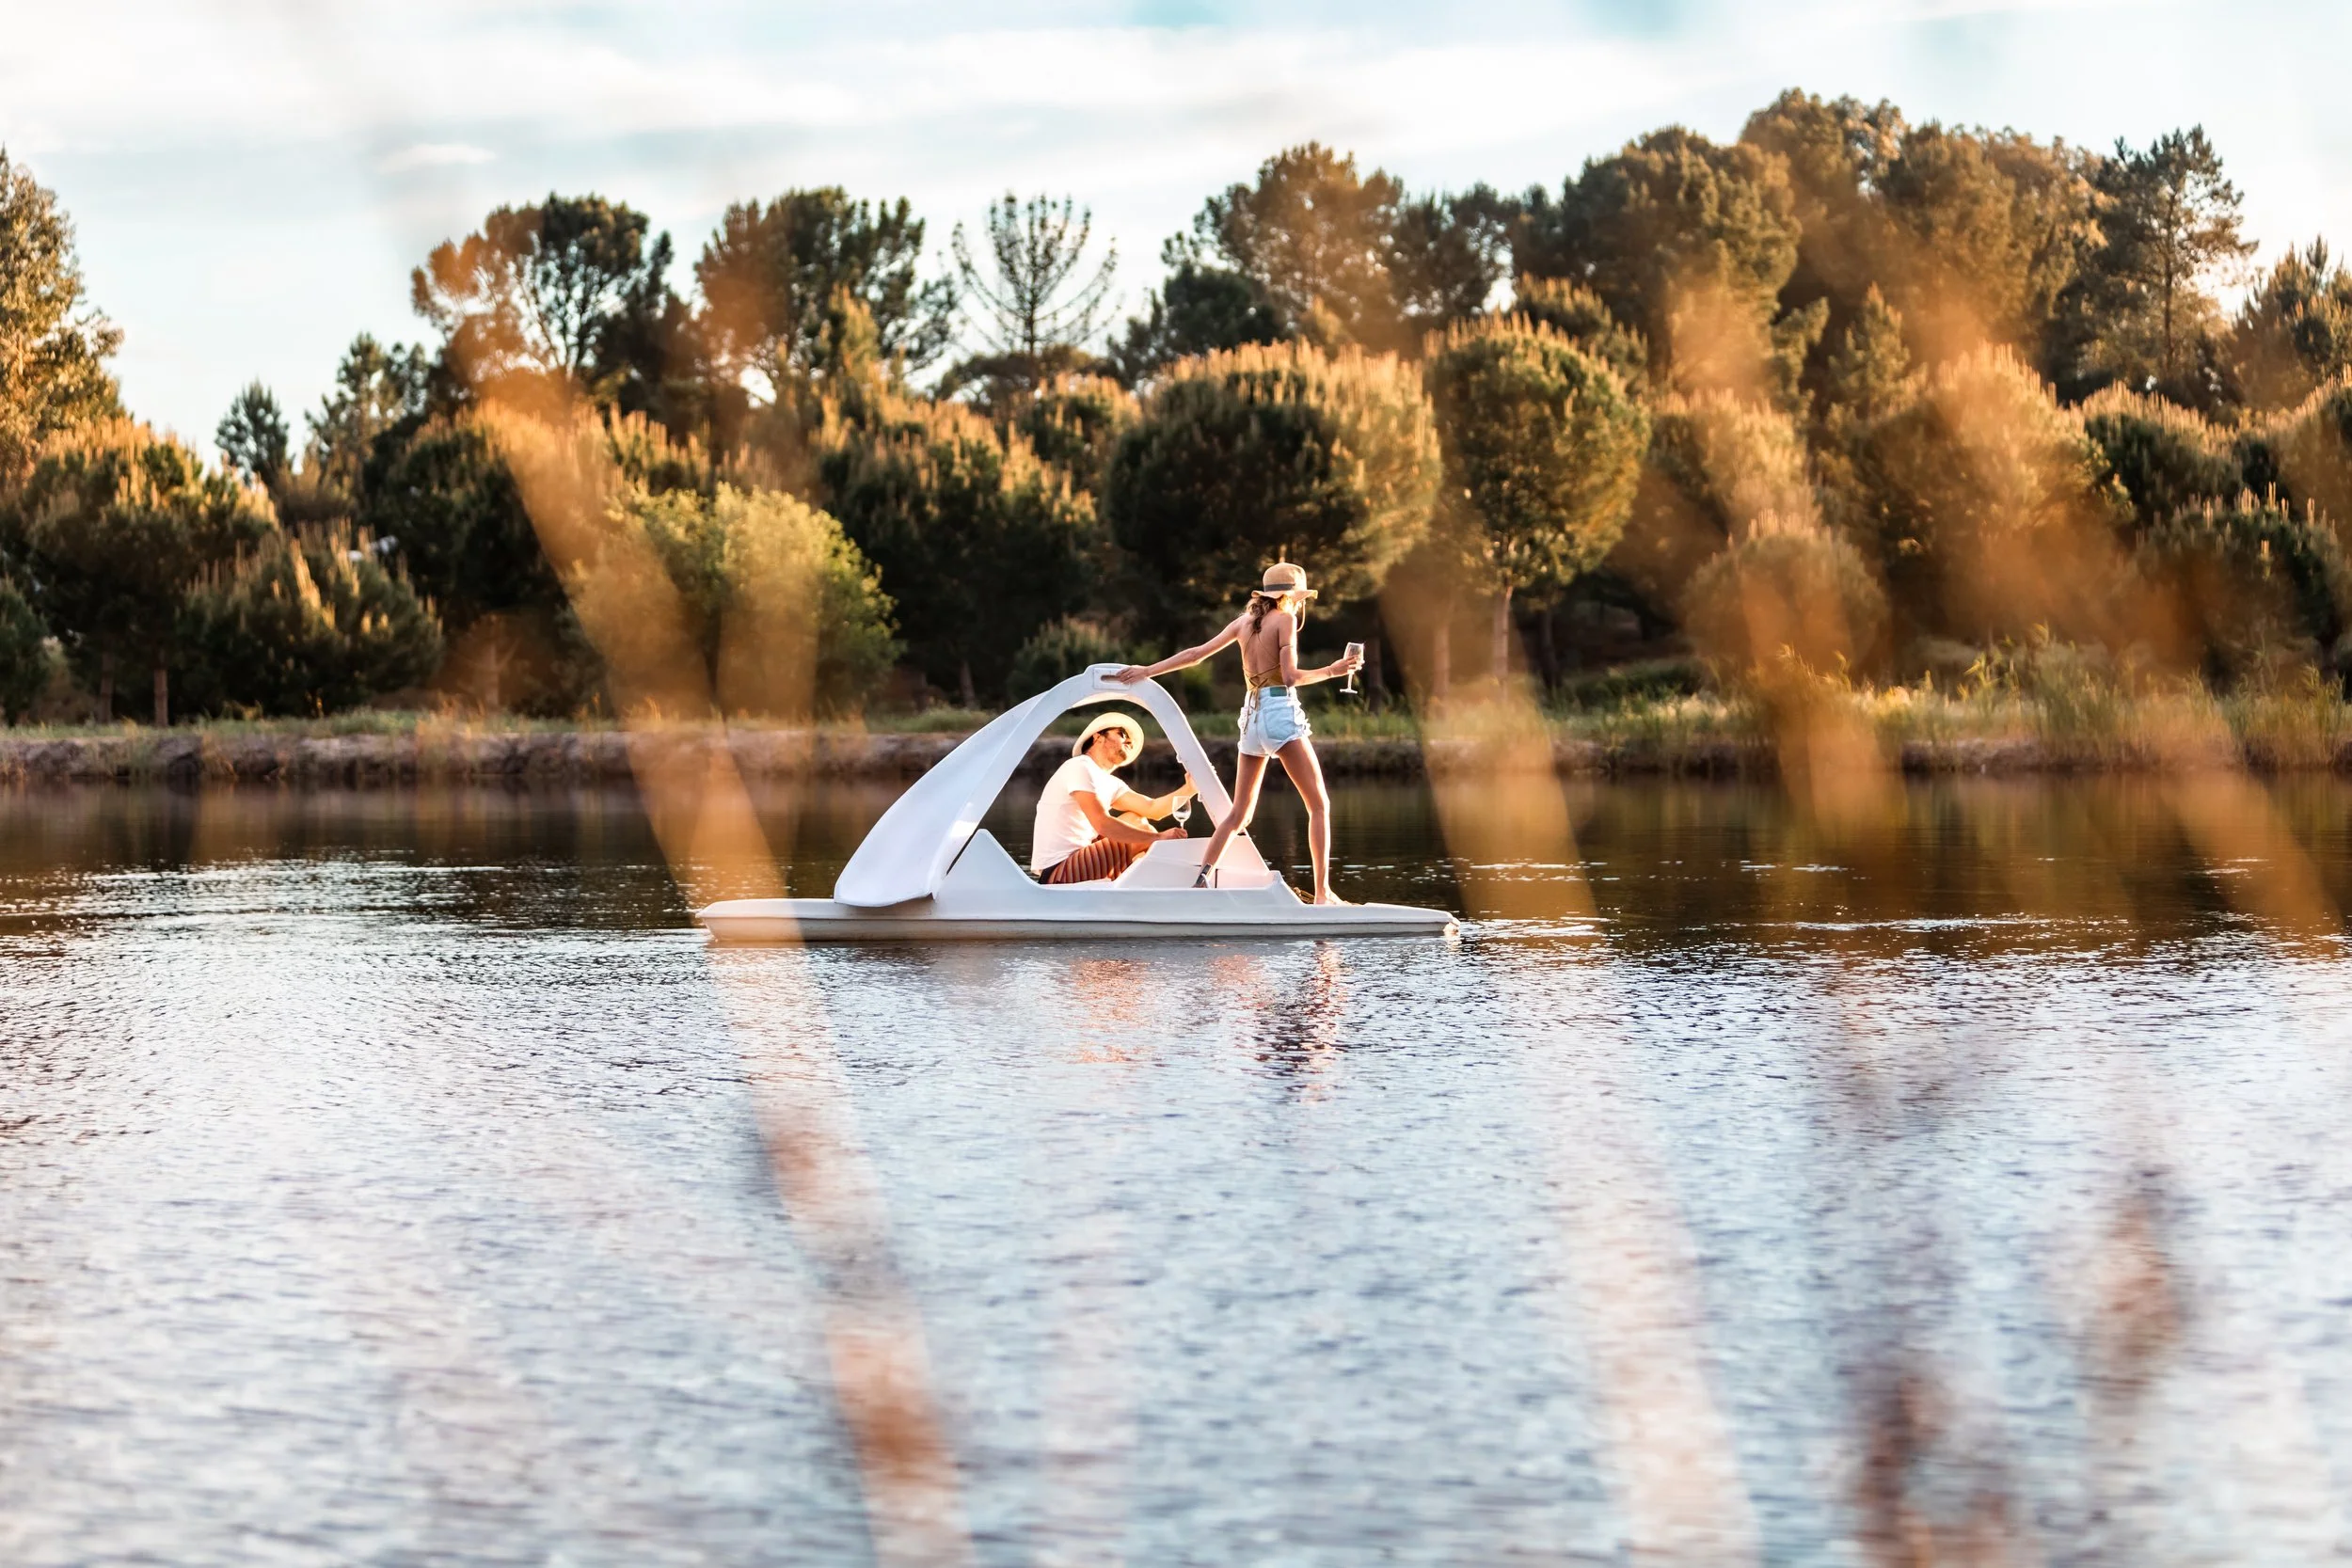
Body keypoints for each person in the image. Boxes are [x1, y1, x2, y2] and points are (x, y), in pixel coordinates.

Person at [1112, 562, 1362, 904]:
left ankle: (1200, 883)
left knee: (1238, 813)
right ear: (1292, 598)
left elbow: (1196, 654)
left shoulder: (1244, 623)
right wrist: (1334, 670)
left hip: (1251, 719)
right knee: (1319, 805)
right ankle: (1323, 894)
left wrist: (1148, 670)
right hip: (1278, 713)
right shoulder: (1286, 621)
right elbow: (1289, 677)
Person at [1030, 711, 1197, 885]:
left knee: (1135, 818)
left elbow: (1152, 808)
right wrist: (1159, 838)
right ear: (1098, 737)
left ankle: (1141, 888)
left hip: (1080, 861)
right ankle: (1159, 888)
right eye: (1122, 734)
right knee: (1143, 831)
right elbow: (1101, 823)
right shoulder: (1079, 766)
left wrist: (1190, 788)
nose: (1129, 741)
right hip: (1059, 873)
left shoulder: (1108, 781)